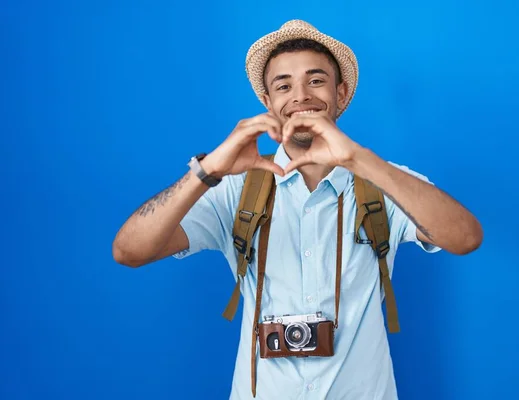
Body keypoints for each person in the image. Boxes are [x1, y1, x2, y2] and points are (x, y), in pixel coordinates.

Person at [113, 19, 483, 400]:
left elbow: (465, 238)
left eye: (316, 80)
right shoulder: (235, 189)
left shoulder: (384, 181)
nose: (300, 96)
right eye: (283, 85)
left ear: (341, 94)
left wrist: (358, 159)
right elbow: (129, 251)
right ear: (268, 102)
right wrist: (208, 170)